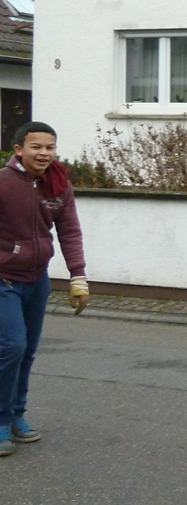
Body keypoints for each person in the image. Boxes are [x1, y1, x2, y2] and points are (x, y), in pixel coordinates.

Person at [0, 122, 89, 457]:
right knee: (11, 347)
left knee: (27, 351)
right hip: (4, 278)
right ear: (19, 149)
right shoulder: (4, 183)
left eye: (49, 147)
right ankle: (0, 420)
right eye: (36, 146)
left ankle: (17, 416)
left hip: (37, 279)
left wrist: (78, 276)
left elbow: (69, 230)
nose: (44, 153)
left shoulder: (58, 184)